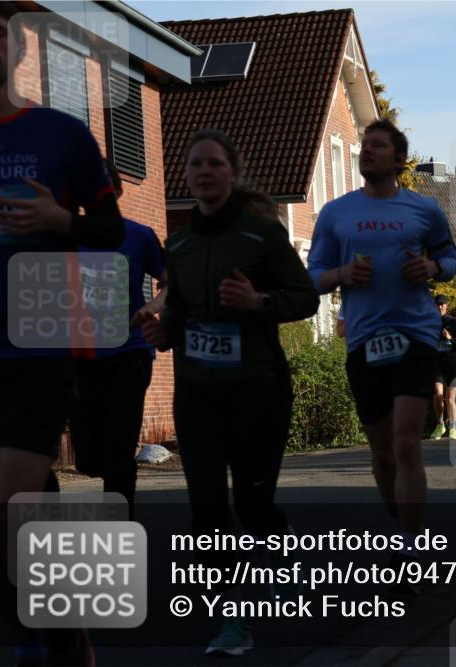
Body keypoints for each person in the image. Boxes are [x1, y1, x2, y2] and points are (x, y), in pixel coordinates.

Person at [0, 4, 125, 664]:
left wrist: (59, 219)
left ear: (16, 50)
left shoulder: (61, 135)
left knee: (11, 506)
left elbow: (113, 233)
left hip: (36, 340)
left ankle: (42, 648)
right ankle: (61, 640)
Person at [141, 129, 319, 655]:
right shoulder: (177, 244)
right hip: (197, 391)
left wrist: (257, 301)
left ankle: (277, 536)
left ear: (232, 174)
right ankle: (233, 620)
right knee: (207, 509)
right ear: (187, 175)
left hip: (258, 389)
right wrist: (162, 331)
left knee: (253, 504)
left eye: (214, 163)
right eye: (195, 164)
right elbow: (179, 313)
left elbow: (305, 297)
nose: (203, 171)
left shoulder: (262, 234)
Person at [306, 118, 456, 588]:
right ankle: (401, 520)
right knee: (382, 453)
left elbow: (450, 260)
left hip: (414, 334)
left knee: (408, 441)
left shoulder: (424, 210)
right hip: (364, 339)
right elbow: (313, 274)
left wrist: (431, 266)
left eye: (376, 146)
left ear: (397, 159)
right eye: (364, 146)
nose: (366, 152)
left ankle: (413, 544)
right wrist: (342, 276)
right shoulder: (335, 213)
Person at [70, 160, 165, 519]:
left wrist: (153, 308)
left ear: (118, 192)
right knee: (90, 458)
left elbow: (169, 282)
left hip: (129, 353)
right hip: (81, 356)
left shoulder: (138, 235)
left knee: (120, 448)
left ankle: (119, 525)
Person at [430, 294, 456, 440]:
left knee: (449, 399)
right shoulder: (429, 322)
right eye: (437, 304)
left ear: (446, 306)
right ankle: (440, 424)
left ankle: (453, 428)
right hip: (437, 364)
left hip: (452, 364)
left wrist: (450, 338)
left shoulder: (453, 322)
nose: (439, 306)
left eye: (442, 304)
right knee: (437, 394)